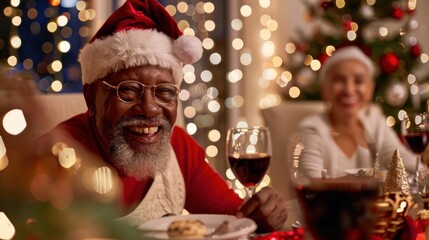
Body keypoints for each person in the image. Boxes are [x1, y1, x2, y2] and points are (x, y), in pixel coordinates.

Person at [32, 0, 287, 233]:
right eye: (129, 91)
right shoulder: (51, 159)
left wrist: (263, 215)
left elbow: (237, 222)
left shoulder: (179, 147)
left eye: (165, 92)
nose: (151, 109)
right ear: (91, 97)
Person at [295, 46, 426, 178]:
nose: (349, 89)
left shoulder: (374, 119)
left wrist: (423, 171)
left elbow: (399, 158)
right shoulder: (312, 128)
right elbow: (312, 184)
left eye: (358, 81)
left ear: (370, 88)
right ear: (324, 88)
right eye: (339, 80)